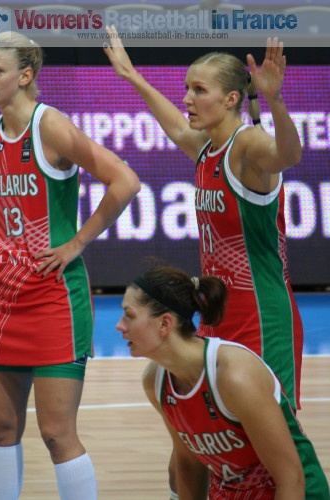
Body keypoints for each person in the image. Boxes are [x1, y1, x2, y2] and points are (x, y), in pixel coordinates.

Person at [103, 29, 304, 497]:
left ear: (232, 98)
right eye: (187, 88)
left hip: (262, 318)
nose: (188, 98)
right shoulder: (206, 149)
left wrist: (274, 102)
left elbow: (289, 155)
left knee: (270, 455)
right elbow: (175, 125)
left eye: (199, 90)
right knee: (191, 454)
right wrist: (131, 75)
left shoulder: (249, 145)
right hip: (215, 314)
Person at [0, 32, 140, 500]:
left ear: (25, 75)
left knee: (57, 434)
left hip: (55, 296)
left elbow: (125, 181)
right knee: (0, 430)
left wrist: (77, 243)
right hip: (2, 297)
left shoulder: (51, 126)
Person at [116, 266, 330, 499]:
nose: (120, 325)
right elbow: (189, 462)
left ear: (164, 324)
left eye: (130, 315)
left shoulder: (233, 376)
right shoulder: (155, 381)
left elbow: (291, 478)